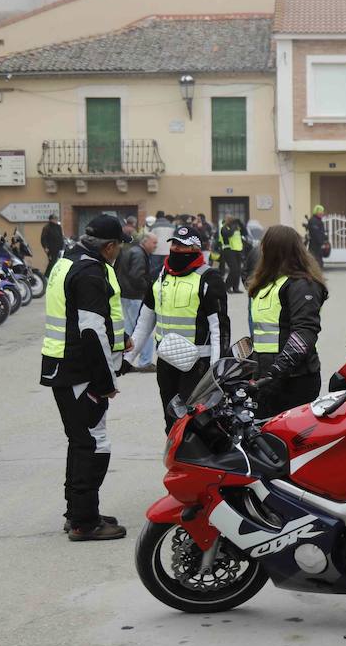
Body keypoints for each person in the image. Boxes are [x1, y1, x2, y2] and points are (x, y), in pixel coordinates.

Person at [41, 213, 129, 542]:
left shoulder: (66, 261)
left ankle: (77, 511)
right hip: (80, 370)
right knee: (93, 444)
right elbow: (91, 332)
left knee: (79, 442)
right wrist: (106, 383)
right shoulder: (91, 273)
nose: (118, 251)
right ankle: (85, 522)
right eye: (118, 246)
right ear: (108, 247)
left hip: (60, 364)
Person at [127, 225, 231, 432]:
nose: (176, 249)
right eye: (174, 244)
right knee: (171, 422)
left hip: (197, 365)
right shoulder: (161, 277)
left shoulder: (209, 278)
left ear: (195, 249)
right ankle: (176, 463)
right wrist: (127, 360)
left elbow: (220, 329)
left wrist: (216, 370)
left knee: (195, 423)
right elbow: (144, 323)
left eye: (182, 245)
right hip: (167, 363)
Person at [247, 224, 328, 417]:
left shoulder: (302, 285)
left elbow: (305, 331)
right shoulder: (267, 284)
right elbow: (262, 332)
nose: (262, 251)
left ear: (275, 249)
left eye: (264, 246)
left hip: (293, 380)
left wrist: (276, 370)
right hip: (265, 378)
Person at [116, 233, 157, 369]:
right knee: (143, 328)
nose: (155, 246)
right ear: (145, 242)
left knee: (129, 328)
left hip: (126, 295)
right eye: (154, 243)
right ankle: (145, 361)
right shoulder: (139, 254)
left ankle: (124, 359)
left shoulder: (132, 251)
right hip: (135, 296)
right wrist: (148, 290)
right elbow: (136, 275)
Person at [220, 217, 246, 293]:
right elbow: (228, 234)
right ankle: (227, 287)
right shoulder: (224, 228)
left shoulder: (237, 228)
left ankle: (236, 288)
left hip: (238, 250)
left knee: (238, 270)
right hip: (229, 250)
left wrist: (241, 224)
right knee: (234, 270)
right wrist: (233, 228)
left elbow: (245, 233)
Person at [41, 214, 65, 280]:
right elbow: (43, 238)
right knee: (52, 262)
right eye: (55, 219)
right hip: (51, 248)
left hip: (59, 248)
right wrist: (45, 247)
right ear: (51, 219)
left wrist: (63, 243)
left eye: (56, 219)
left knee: (58, 262)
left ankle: (54, 276)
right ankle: (46, 276)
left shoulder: (58, 227)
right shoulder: (47, 227)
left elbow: (61, 236)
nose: (56, 220)